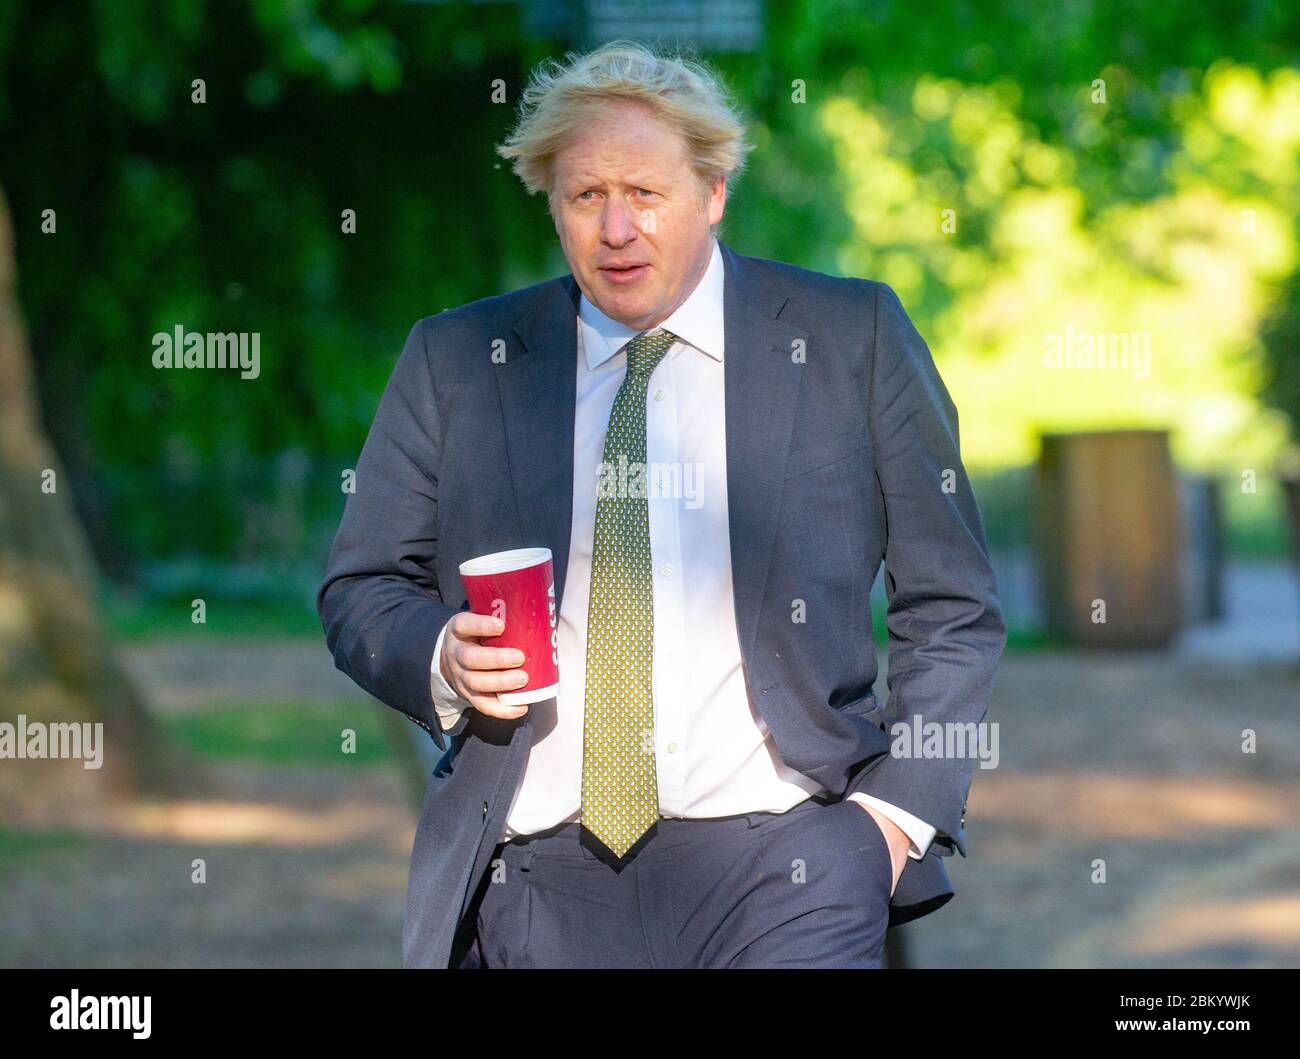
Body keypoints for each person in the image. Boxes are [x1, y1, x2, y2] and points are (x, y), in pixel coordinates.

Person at [317, 40, 1005, 968]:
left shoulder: (852, 339)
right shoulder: (458, 361)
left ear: (713, 193)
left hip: (793, 863)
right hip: (535, 875)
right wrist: (442, 653)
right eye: (585, 196)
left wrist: (892, 818)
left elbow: (953, 601)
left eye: (645, 193)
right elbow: (361, 586)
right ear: (553, 206)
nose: (615, 229)